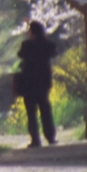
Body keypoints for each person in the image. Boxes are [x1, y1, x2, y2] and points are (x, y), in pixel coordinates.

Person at [17, 20, 57, 148]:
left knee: (31, 112)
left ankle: (35, 139)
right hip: (43, 82)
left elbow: (20, 55)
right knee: (45, 110)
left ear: (31, 32)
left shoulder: (26, 45)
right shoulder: (48, 45)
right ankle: (50, 137)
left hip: (29, 83)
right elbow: (54, 52)